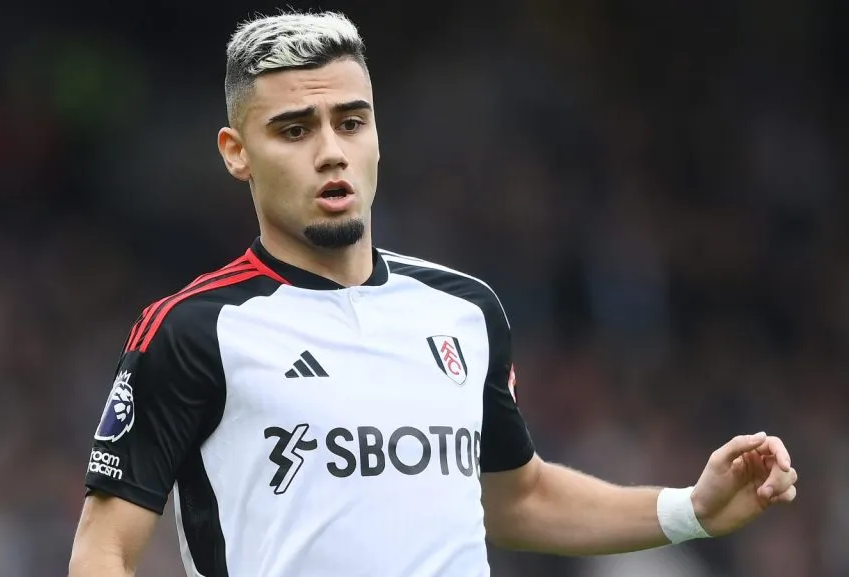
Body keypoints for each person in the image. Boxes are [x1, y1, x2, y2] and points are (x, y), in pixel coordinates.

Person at [68, 10, 798, 577]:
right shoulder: (193, 330)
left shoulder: (464, 310)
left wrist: (690, 509)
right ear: (237, 154)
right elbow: (103, 551)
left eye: (350, 121)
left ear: (376, 134)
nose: (330, 149)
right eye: (294, 129)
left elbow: (517, 497)